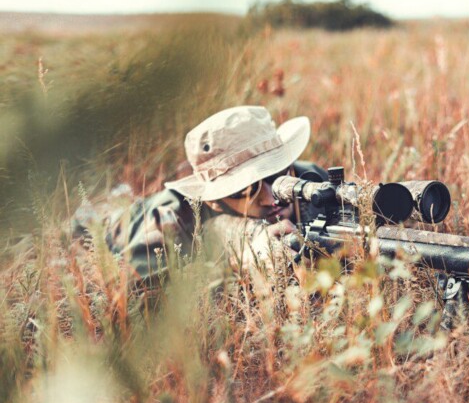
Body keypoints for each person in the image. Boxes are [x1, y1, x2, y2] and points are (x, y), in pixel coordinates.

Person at [85, 105, 325, 288]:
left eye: (277, 174)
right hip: (114, 220)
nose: (270, 198)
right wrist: (236, 262)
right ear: (213, 201)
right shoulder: (169, 220)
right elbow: (131, 295)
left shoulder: (309, 180)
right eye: (245, 189)